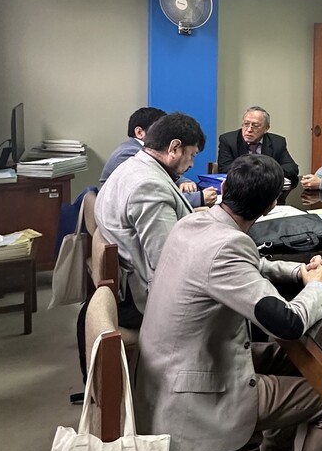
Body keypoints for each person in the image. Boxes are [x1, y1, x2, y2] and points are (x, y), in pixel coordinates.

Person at [134, 154, 322, 451]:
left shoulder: (194, 222)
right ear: (271, 206)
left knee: (296, 365)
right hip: (191, 399)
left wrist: (297, 273)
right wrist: (317, 287)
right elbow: (287, 323)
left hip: (175, 368)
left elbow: (251, 261)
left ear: (225, 188)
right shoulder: (228, 246)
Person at [94, 112, 204, 327]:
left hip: (130, 281)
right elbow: (168, 261)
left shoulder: (132, 165)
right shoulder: (149, 187)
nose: (192, 163)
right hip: (146, 299)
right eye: (192, 155)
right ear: (174, 148)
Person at [100, 108, 214, 209]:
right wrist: (199, 198)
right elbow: (154, 196)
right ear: (139, 132)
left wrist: (183, 180)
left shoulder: (144, 155)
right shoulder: (130, 155)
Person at [217, 105, 299, 190]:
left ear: (266, 128)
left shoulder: (277, 142)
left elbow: (292, 168)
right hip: (239, 191)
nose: (249, 130)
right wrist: (264, 172)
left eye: (255, 125)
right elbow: (224, 169)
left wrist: (262, 172)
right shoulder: (228, 140)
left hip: (267, 191)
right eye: (246, 124)